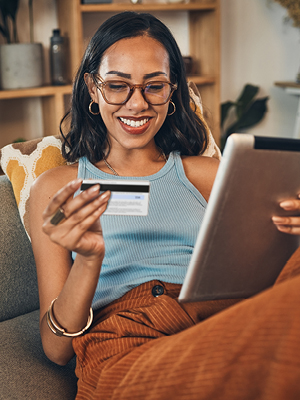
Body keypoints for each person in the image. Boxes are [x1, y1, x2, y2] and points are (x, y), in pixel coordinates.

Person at [29, 11, 300, 400]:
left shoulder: (206, 174)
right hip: (127, 339)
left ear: (173, 89)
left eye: (153, 86)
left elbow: (258, 273)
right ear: (92, 87)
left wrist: (290, 234)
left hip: (214, 318)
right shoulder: (58, 188)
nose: (136, 104)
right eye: (117, 86)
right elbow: (56, 350)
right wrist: (89, 260)